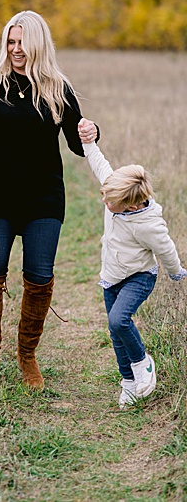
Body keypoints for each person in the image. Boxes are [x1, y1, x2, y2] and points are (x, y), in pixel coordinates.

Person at [0, 11, 99, 390]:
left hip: (43, 198)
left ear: (38, 45)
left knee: (40, 277)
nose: (15, 50)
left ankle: (27, 357)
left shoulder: (58, 88)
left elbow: (78, 145)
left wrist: (92, 131)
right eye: (10, 42)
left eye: (22, 43)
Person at [77, 120, 184, 407]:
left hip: (139, 276)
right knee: (115, 331)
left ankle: (142, 363)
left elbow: (166, 248)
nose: (104, 200)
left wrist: (176, 272)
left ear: (132, 205)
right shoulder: (115, 190)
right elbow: (99, 162)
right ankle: (129, 382)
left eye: (110, 201)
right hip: (111, 275)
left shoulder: (148, 224)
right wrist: (88, 141)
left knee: (118, 320)